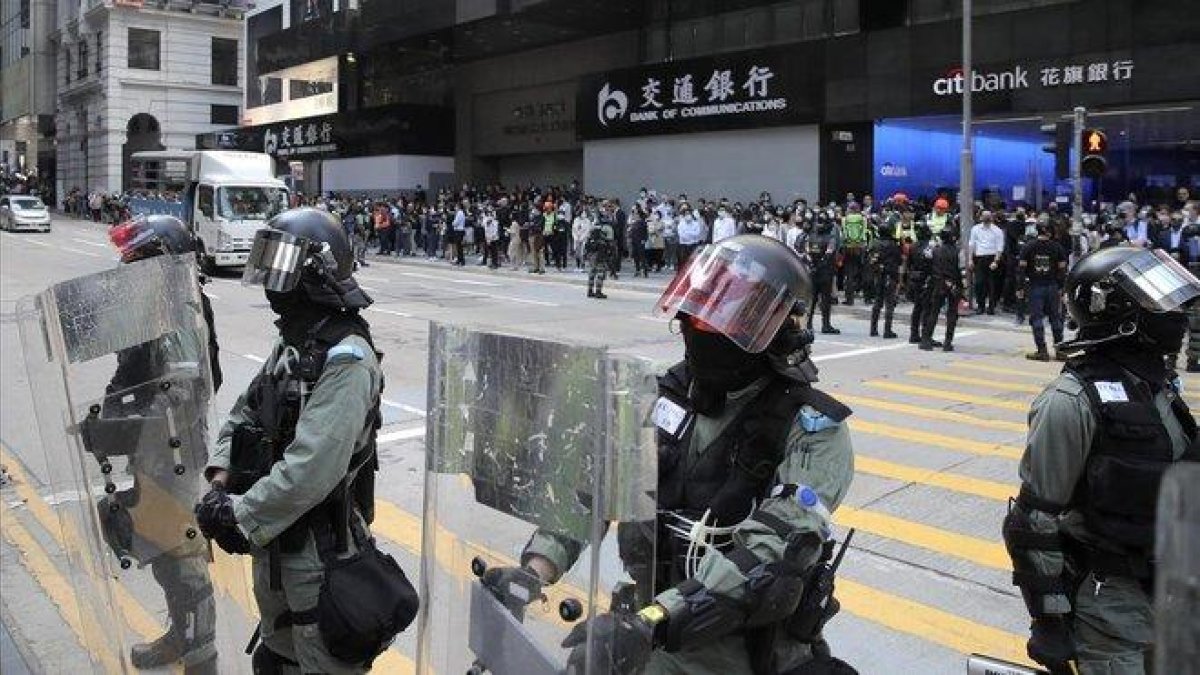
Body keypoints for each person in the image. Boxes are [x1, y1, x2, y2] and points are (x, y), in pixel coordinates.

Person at [485, 235, 858, 675]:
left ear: (780, 331)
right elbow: (595, 491)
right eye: (700, 317)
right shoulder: (663, 398)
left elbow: (771, 553)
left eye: (727, 322)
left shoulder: (811, 429)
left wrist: (653, 622)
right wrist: (533, 572)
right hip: (643, 626)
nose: (704, 330)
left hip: (735, 652)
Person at [196, 208, 399, 673]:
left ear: (313, 272)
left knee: (318, 654)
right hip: (276, 541)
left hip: (319, 554)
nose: (271, 280)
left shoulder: (347, 358)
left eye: (281, 265)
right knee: (276, 657)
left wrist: (240, 513)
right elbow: (248, 410)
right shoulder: (296, 341)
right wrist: (223, 478)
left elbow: (313, 468)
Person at [1003, 246, 1200, 675]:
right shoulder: (1069, 402)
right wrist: (1049, 618)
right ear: (1118, 312)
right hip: (1111, 612)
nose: (1177, 317)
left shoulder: (1156, 387)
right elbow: (1034, 521)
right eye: (1158, 305)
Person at [101, 215, 223, 673]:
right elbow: (132, 372)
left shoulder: (181, 308)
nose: (127, 267)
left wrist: (132, 422)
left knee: (182, 554)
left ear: (164, 260)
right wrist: (108, 414)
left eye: (136, 259)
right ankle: (179, 635)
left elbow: (184, 390)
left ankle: (202, 657)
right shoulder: (150, 305)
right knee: (159, 548)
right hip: (151, 447)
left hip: (174, 449)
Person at [1020, 222, 1069, 362]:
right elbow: (1062, 270)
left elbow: (1021, 270)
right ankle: (1060, 351)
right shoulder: (1057, 247)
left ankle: (1042, 351)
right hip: (1052, 287)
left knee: (1036, 318)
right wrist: (1061, 288)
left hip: (1035, 286)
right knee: (1056, 318)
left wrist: (1020, 287)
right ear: (1049, 232)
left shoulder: (1028, 247)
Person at [921, 226, 962, 352]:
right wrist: (963, 288)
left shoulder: (935, 250)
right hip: (954, 284)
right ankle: (947, 343)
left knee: (934, 312)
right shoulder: (959, 251)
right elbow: (963, 271)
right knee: (952, 313)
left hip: (938, 283)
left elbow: (925, 258)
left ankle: (926, 340)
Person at [804, 210, 841, 335]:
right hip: (825, 272)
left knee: (812, 299)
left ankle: (808, 324)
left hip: (813, 272)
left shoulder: (811, 237)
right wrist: (819, 265)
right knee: (825, 299)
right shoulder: (830, 238)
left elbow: (807, 254)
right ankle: (825, 325)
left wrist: (813, 266)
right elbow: (828, 255)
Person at [867, 223, 903, 339]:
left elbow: (870, 259)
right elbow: (899, 260)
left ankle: (873, 329)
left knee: (878, 302)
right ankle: (887, 330)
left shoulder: (875, 243)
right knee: (889, 304)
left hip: (878, 275)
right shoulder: (893, 245)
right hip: (890, 275)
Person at [968, 211, 1006, 314]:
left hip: (992, 258)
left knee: (992, 284)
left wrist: (996, 261)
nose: (986, 218)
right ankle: (980, 306)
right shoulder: (975, 229)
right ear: (981, 217)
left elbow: (1000, 247)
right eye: (984, 216)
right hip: (979, 258)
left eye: (988, 216)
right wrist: (970, 259)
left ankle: (991, 307)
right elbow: (972, 244)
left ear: (991, 218)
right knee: (979, 283)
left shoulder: (997, 231)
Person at [906, 223, 935, 344]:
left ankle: (914, 334)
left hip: (914, 278)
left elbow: (909, 263)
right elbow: (933, 263)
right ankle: (925, 335)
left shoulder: (912, 246)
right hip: (926, 278)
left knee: (917, 307)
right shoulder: (930, 247)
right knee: (927, 308)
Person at [840, 203, 870, 305]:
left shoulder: (845, 219)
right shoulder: (863, 219)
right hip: (861, 247)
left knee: (849, 274)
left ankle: (849, 299)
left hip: (849, 248)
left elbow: (844, 234)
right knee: (865, 273)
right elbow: (865, 233)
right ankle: (868, 298)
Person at [585, 214, 615, 299]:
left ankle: (590, 291)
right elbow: (610, 242)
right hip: (600, 254)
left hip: (591, 254)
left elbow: (587, 241)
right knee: (600, 273)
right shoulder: (607, 228)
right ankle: (598, 291)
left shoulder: (593, 228)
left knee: (592, 272)